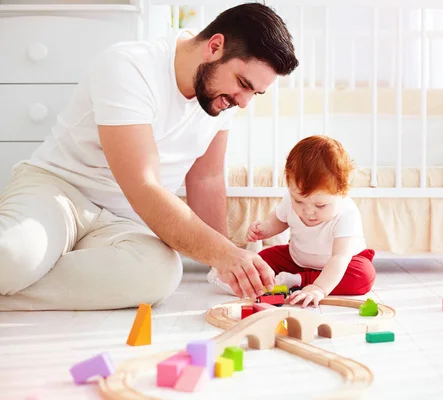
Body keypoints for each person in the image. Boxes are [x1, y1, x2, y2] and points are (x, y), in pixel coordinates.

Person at [0, 3, 299, 311]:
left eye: (255, 93)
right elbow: (143, 186)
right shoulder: (129, 67)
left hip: (125, 222)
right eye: (243, 84)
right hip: (60, 192)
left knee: (160, 274)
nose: (244, 102)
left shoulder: (221, 99)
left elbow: (206, 177)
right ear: (214, 46)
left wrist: (223, 266)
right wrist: (224, 253)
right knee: (13, 255)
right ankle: (22, 268)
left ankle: (13, 287)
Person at [209, 135, 376, 307]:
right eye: (299, 201)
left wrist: (318, 288)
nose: (308, 212)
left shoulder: (346, 213)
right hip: (296, 258)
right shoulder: (290, 199)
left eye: (321, 205)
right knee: (261, 259)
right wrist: (265, 229)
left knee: (363, 276)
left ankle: (296, 280)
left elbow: (339, 258)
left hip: (342, 264)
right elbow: (279, 219)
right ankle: (238, 276)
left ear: (342, 192)